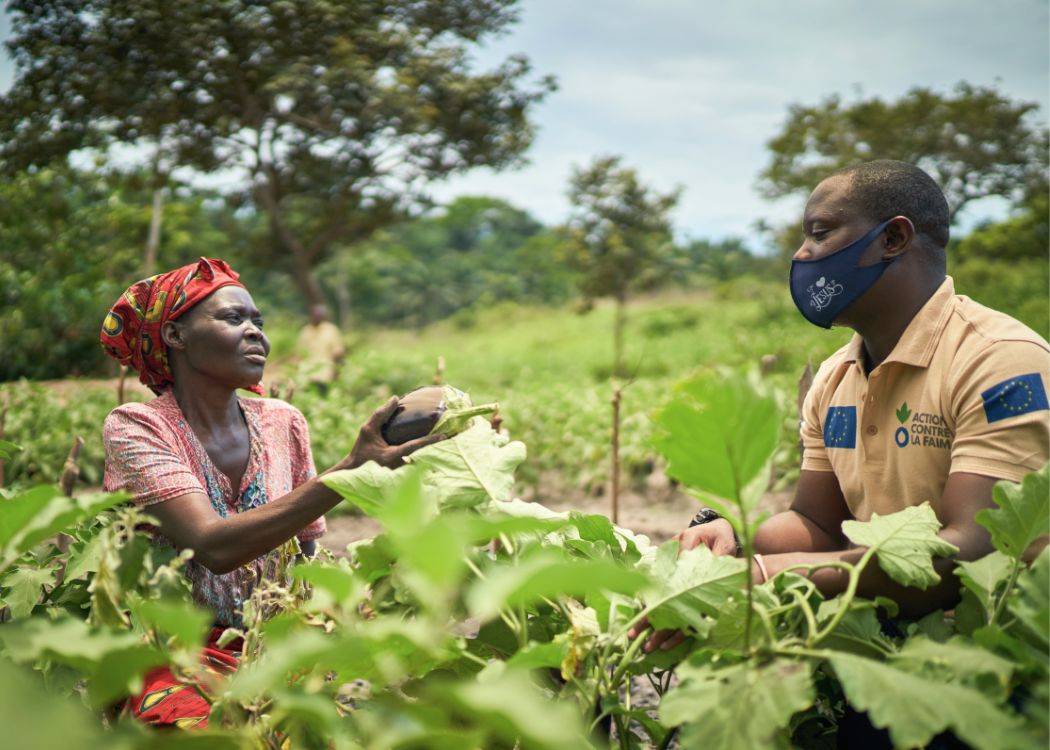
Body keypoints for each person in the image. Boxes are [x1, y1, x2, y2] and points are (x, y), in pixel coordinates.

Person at [633, 160, 1049, 652]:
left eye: (821, 232)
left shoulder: (1001, 362)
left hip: (999, 654)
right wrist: (735, 543)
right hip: (881, 638)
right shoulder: (835, 378)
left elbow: (974, 551)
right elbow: (816, 525)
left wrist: (767, 575)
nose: (802, 253)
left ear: (893, 239)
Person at [100, 257, 441, 728]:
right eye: (233, 318)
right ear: (176, 336)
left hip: (275, 646)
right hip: (174, 650)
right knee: (196, 725)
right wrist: (349, 471)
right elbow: (214, 546)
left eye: (258, 321)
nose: (256, 332)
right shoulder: (138, 426)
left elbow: (305, 554)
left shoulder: (282, 421)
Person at [296, 303, 347, 395]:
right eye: (314, 315)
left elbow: (338, 352)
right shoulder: (306, 331)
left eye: (318, 315)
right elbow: (300, 354)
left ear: (323, 316)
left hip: (325, 375)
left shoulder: (331, 330)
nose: (316, 317)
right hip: (308, 374)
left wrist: (337, 372)